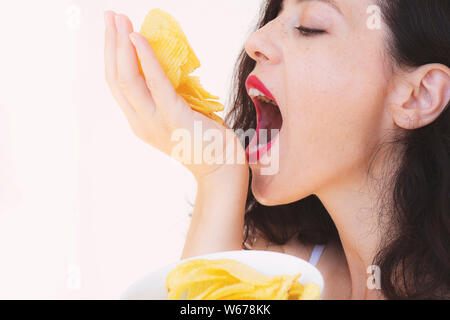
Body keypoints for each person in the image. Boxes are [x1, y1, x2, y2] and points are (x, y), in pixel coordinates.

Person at [104, 0, 449, 299]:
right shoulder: (281, 276)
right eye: (277, 12)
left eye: (310, 27)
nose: (256, 40)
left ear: (418, 95)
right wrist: (218, 175)